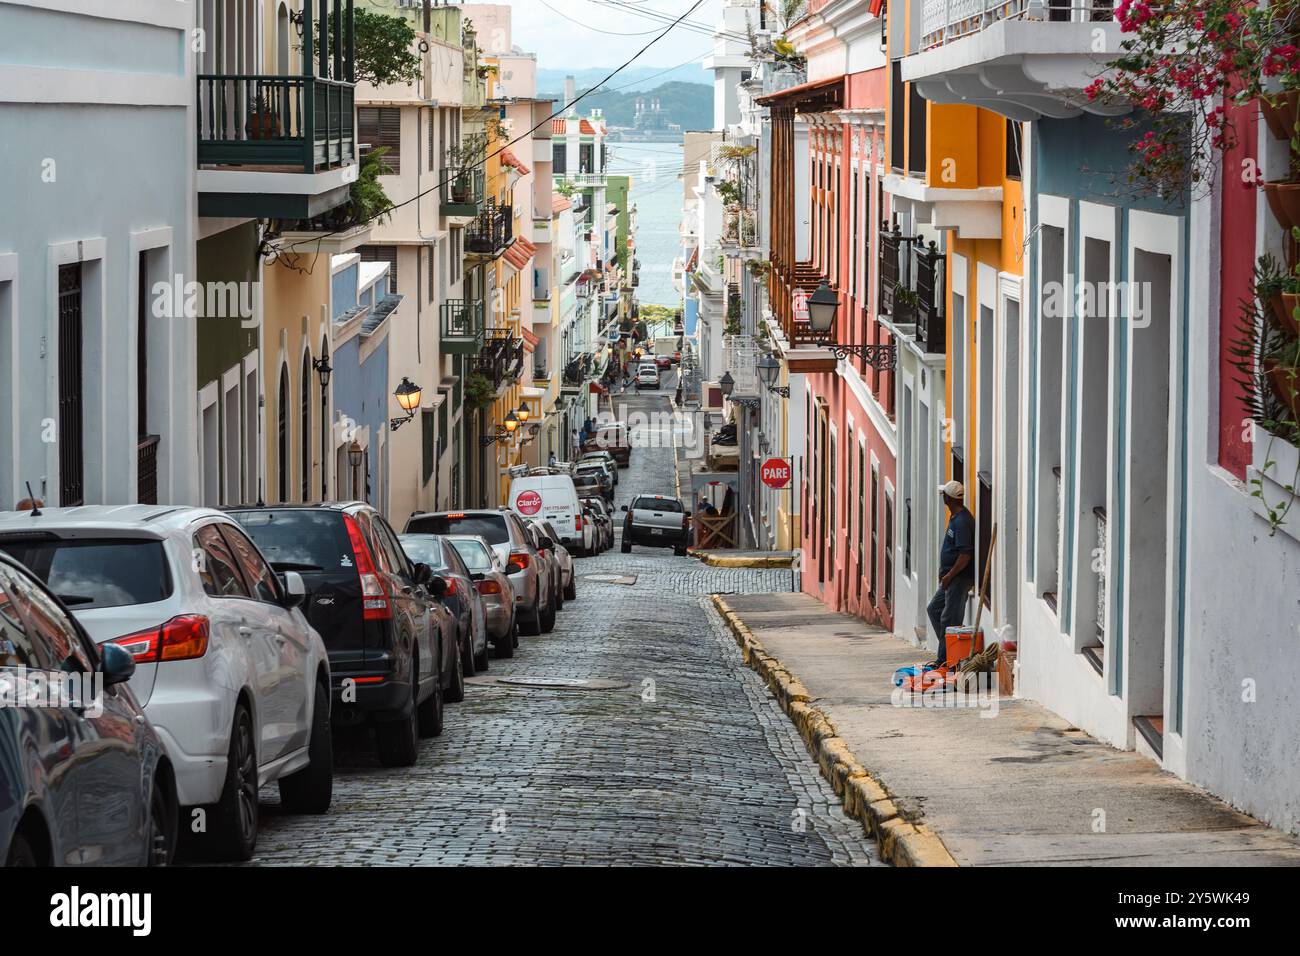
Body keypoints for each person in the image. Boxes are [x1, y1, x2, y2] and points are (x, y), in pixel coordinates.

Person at [927, 480, 975, 664]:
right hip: (950, 579)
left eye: (944, 495)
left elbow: (965, 555)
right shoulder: (955, 518)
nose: (943, 497)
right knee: (934, 609)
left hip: (958, 579)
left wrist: (949, 575)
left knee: (950, 619)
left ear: (949, 498)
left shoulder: (962, 522)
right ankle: (949, 647)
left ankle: (945, 660)